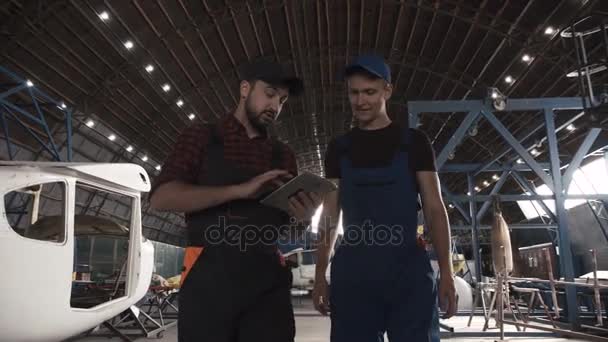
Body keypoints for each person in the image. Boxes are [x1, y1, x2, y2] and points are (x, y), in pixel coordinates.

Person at [149, 60, 322, 342]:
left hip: (266, 285)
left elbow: (287, 231)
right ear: (244, 89)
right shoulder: (202, 137)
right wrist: (240, 190)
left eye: (282, 100)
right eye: (269, 94)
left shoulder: (283, 155)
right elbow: (161, 197)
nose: (275, 106)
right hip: (208, 282)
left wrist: (303, 218)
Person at [312, 55, 457, 342]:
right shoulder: (338, 148)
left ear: (387, 91)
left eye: (370, 92)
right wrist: (319, 276)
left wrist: (448, 273)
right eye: (354, 92)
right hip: (353, 272)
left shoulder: (415, 142)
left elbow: (434, 208)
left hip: (407, 270)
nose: (361, 101)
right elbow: (330, 214)